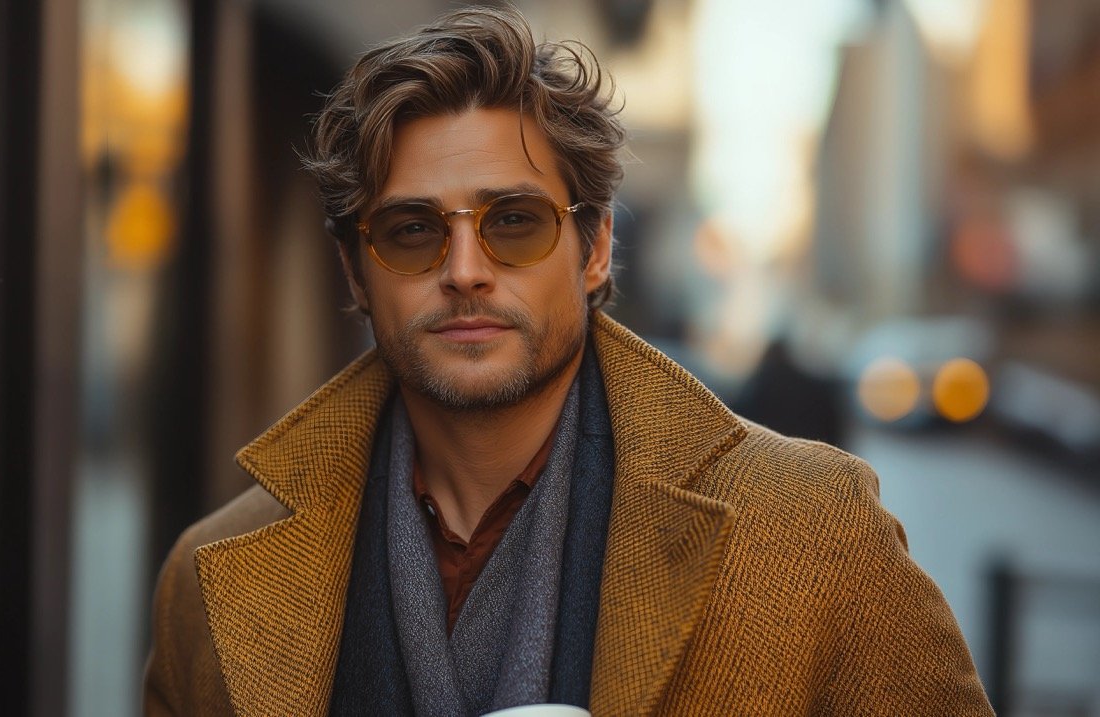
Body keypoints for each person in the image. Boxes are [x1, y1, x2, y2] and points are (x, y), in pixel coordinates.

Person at [144, 7, 994, 716]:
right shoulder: (208, 577)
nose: (465, 269)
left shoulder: (812, 531)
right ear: (355, 274)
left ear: (594, 251)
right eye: (412, 231)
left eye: (514, 221)